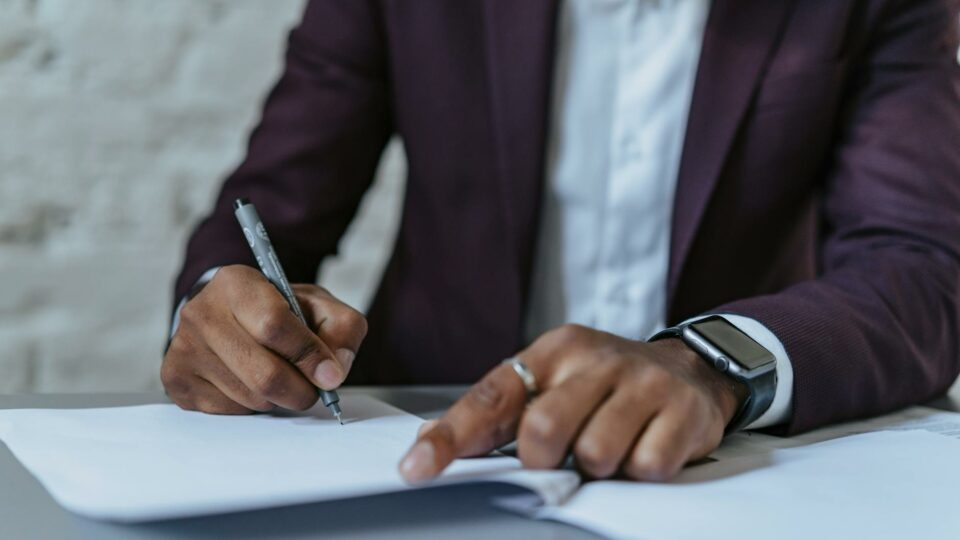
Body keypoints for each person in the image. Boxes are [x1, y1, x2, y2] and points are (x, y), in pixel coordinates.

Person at [163, 0, 960, 483]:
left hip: (721, 478)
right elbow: (269, 209)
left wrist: (713, 364)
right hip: (418, 467)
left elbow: (920, 265)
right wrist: (221, 308)